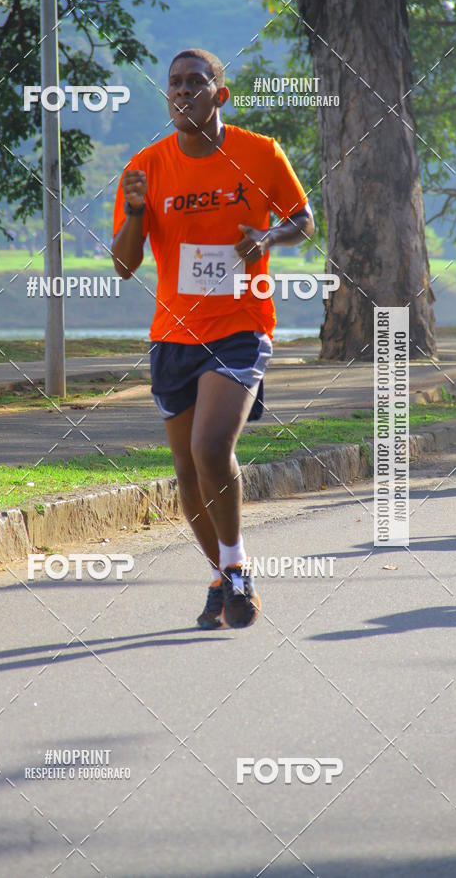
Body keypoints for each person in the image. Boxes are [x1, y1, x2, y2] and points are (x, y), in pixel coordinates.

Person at [111, 48, 314, 629]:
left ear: (219, 95)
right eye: (173, 84)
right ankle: (223, 578)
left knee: (209, 449)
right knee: (184, 470)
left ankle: (237, 565)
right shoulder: (145, 168)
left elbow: (304, 218)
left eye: (195, 83)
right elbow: (124, 266)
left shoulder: (259, 153)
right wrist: (132, 215)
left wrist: (268, 235)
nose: (182, 92)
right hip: (172, 335)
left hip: (241, 328)